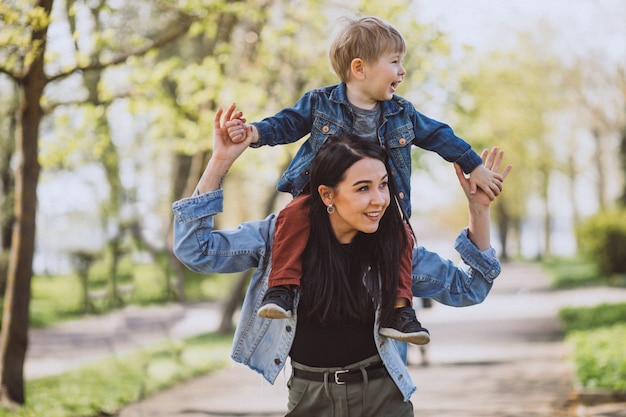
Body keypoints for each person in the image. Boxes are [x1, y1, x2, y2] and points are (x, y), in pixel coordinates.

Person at [172, 105, 512, 416]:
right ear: (327, 194)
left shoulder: (393, 247)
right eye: (363, 188)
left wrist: (478, 211)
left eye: (383, 185)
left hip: (384, 399)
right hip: (309, 399)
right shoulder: (280, 237)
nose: (379, 199)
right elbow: (196, 250)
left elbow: (470, 288)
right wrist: (219, 162)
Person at [225, 15, 505, 344]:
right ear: (360, 69)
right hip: (318, 196)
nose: (402, 71)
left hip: (378, 207)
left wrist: (473, 165)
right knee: (290, 216)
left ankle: (398, 310)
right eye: (395, 62)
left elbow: (440, 137)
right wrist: (254, 132)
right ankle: (282, 288)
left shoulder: (403, 114)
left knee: (401, 237)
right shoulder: (319, 103)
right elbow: (286, 123)